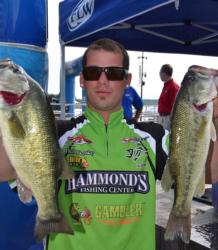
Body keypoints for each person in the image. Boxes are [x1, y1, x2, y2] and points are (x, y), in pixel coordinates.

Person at [0, 38, 217, 250]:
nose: (103, 81)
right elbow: (4, 171)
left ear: (127, 79)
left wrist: (214, 118)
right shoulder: (54, 135)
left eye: (113, 73)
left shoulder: (154, 136)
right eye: (94, 73)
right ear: (82, 80)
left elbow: (211, 174)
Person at [157, 64, 180, 130]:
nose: (159, 75)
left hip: (168, 119)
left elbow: (176, 107)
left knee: (166, 139)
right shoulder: (167, 86)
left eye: (160, 72)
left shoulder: (173, 87)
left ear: (163, 73)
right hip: (162, 118)